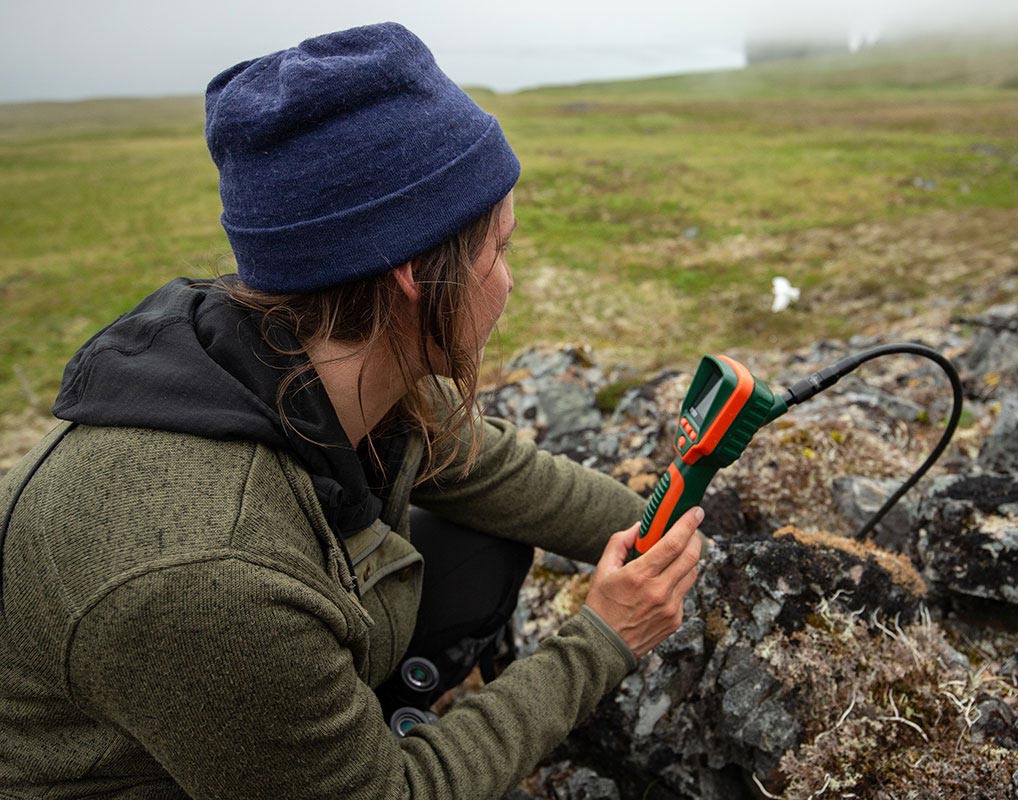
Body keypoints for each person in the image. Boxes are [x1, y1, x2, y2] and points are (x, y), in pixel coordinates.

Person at [0, 23, 704, 800]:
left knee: (478, 552)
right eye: (499, 248)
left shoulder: (321, 346)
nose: (509, 280)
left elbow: (501, 471)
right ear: (413, 273)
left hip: (214, 693)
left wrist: (667, 530)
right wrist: (604, 638)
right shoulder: (210, 579)